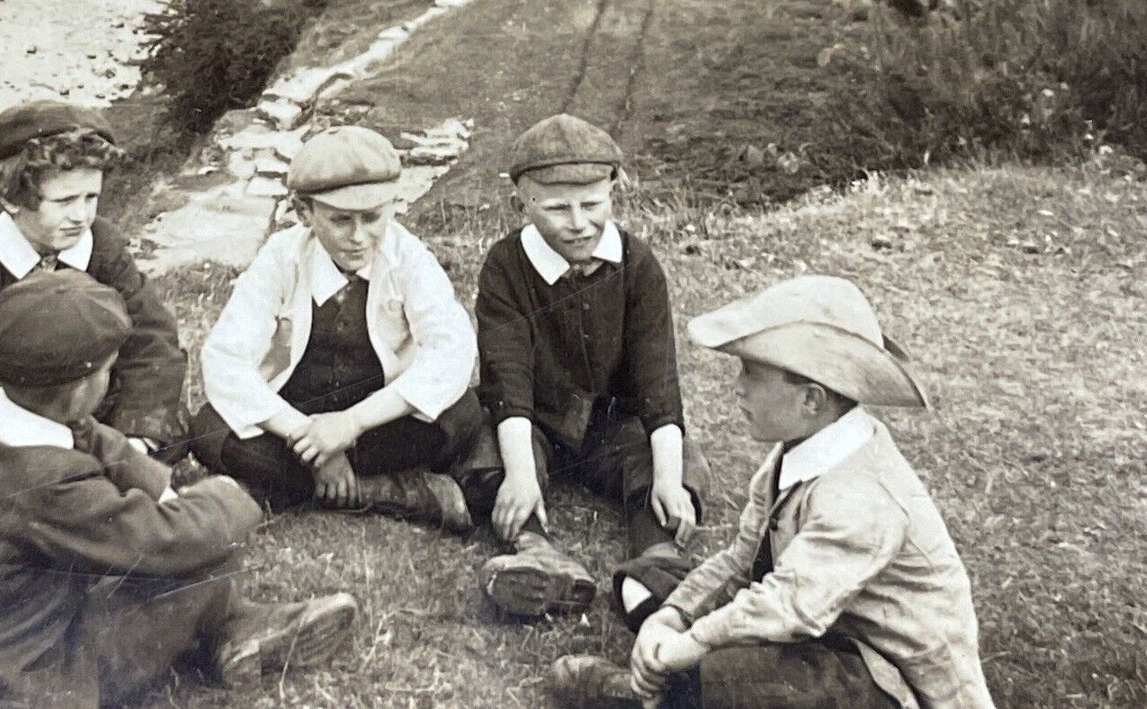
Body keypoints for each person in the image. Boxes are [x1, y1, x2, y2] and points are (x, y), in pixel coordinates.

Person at [0, 273, 358, 708]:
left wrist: (152, 481)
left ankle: (238, 629)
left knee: (192, 544)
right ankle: (234, 629)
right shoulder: (47, 482)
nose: (112, 378)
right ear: (80, 388)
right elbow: (164, 540)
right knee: (198, 554)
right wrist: (226, 494)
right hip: (0, 684)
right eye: (108, 370)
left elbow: (92, 435)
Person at [549, 274, 997, 709]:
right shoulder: (797, 451)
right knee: (644, 581)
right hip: (822, 624)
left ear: (811, 400)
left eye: (751, 373)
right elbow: (743, 560)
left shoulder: (863, 496)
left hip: (886, 673)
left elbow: (790, 605)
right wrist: (675, 616)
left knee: (730, 674)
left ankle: (644, 691)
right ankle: (670, 676)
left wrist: (690, 643)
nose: (737, 387)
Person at [455, 115, 710, 621]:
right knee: (487, 454)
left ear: (613, 193)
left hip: (613, 427)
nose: (578, 222)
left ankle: (657, 561)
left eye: (593, 204)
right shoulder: (505, 268)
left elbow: (658, 382)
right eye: (556, 208)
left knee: (680, 464)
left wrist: (666, 476)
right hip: (536, 423)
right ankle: (535, 553)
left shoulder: (639, 266)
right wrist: (522, 475)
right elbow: (507, 378)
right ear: (520, 206)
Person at [189, 124, 482, 532]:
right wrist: (313, 442)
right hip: (295, 423)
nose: (359, 237)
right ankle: (387, 492)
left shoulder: (409, 258)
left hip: (376, 425)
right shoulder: (281, 257)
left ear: (392, 206)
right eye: (341, 220)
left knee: (461, 414)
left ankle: (288, 489)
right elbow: (224, 359)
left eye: (373, 217)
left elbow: (450, 352)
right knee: (209, 429)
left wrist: (351, 425)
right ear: (304, 213)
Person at [0, 101, 187, 483]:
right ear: (11, 199)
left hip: (81, 405)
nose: (82, 216)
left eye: (91, 197)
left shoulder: (104, 248)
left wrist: (135, 438)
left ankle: (80, 472)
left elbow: (153, 339)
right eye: (64, 201)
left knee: (162, 433)